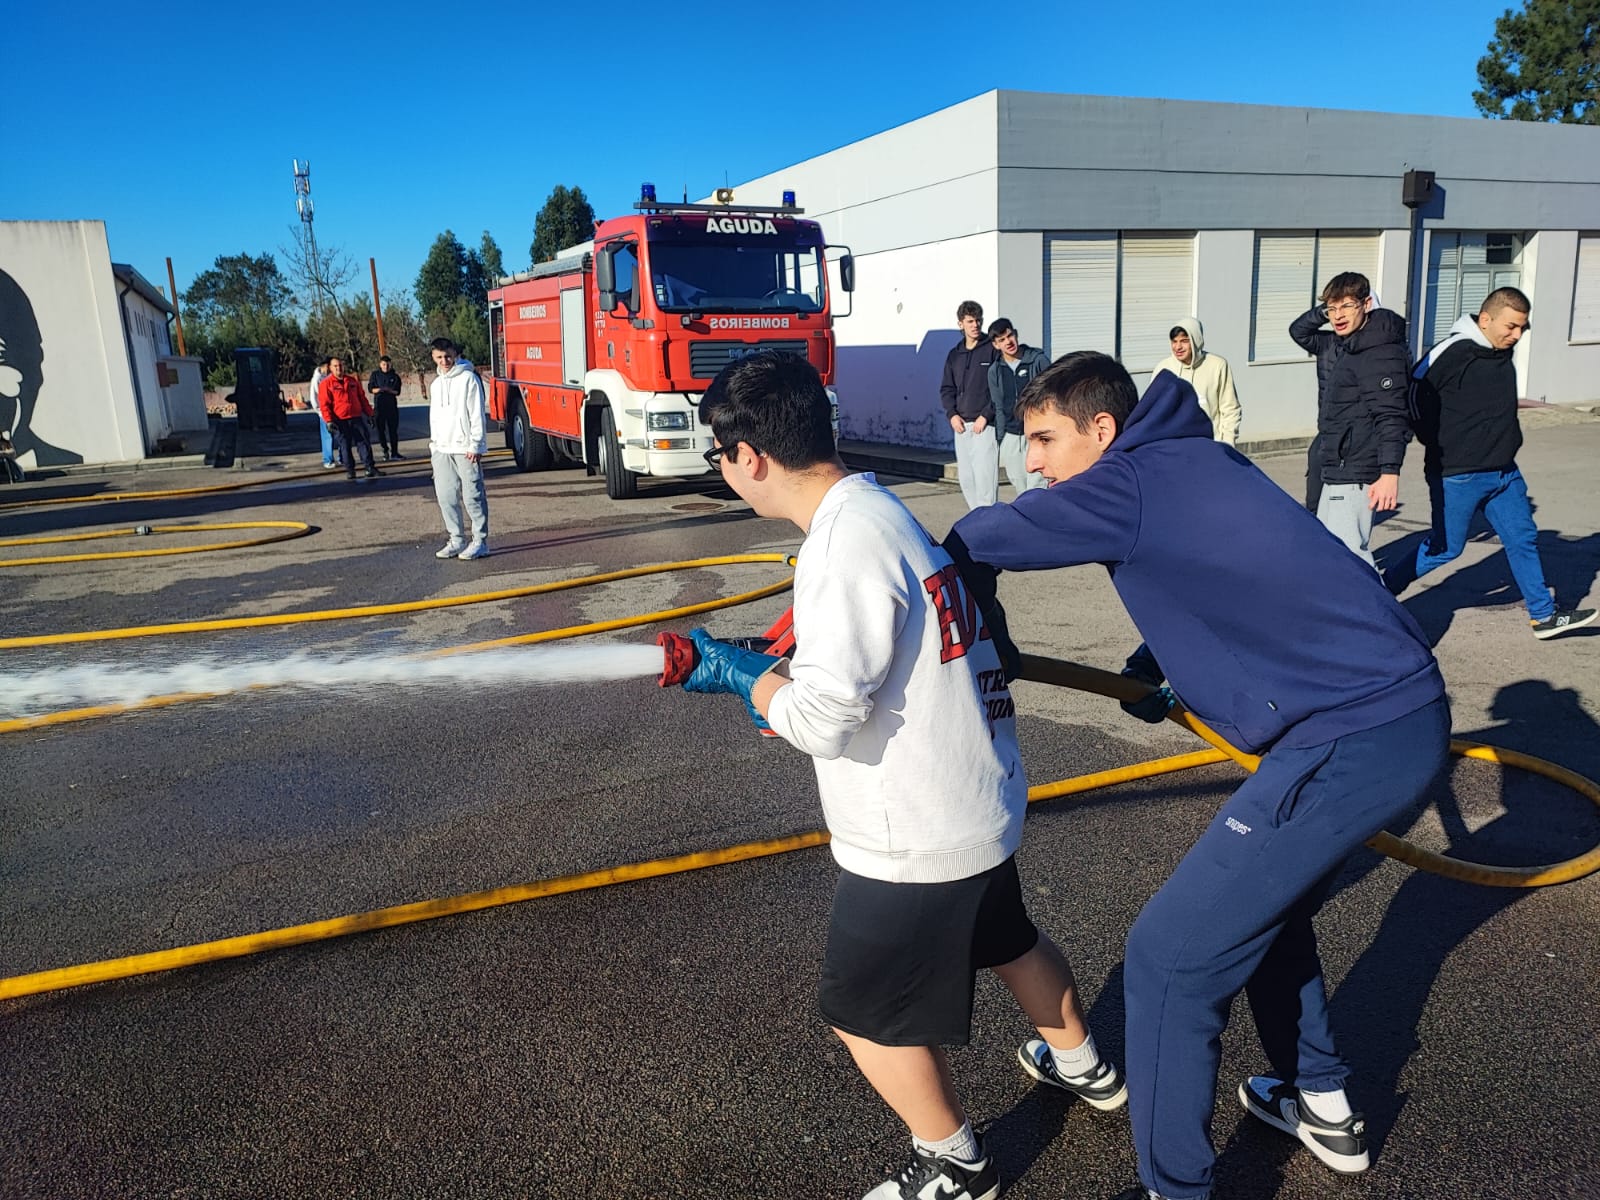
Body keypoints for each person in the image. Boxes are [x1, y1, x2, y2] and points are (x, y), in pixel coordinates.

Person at [947, 353, 1450, 1200]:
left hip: (1349, 736)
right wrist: (1173, 663)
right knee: (1264, 913)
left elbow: (977, 537)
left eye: (1044, 439)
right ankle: (1320, 1102)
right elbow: (1238, 571)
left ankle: (1174, 1188)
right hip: (1386, 715)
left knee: (1170, 959)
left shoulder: (1126, 482)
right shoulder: (1192, 457)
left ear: (1102, 429)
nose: (1031, 461)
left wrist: (964, 603)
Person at [680, 351, 1125, 1200]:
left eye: (719, 455)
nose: (724, 470)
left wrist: (747, 680)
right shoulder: (880, 509)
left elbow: (824, 720)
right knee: (1008, 939)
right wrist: (782, 674)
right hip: (974, 800)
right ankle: (1086, 1068)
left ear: (751, 458)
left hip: (916, 838)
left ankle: (957, 1164)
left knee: (862, 1015)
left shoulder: (839, 545)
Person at [1385, 287, 1596, 639]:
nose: (1516, 335)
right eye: (1511, 326)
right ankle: (1380, 590)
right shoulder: (1452, 351)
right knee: (1445, 548)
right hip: (1457, 474)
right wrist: (1440, 442)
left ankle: (1543, 616)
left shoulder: (1501, 351)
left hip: (1504, 471)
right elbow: (1412, 395)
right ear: (1485, 319)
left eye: (1522, 328)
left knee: (1522, 538)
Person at [1289, 276, 1408, 564]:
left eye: (1346, 306)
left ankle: (1373, 597)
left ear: (1366, 305)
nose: (1338, 315)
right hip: (1337, 463)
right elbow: (1299, 330)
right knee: (1331, 551)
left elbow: (1391, 414)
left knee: (1351, 557)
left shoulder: (1378, 351)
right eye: (1332, 308)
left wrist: (1389, 472)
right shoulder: (1349, 346)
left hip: (1355, 470)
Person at [428, 338, 489, 560]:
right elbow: (434, 417)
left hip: (465, 448)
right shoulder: (436, 385)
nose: (444, 361)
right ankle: (456, 539)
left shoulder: (468, 379)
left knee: (473, 496)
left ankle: (480, 541)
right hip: (442, 449)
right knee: (446, 496)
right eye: (439, 357)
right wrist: (434, 445)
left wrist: (475, 444)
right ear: (433, 357)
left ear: (455, 354)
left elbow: (476, 413)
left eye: (447, 356)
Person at [940, 300, 1000, 509]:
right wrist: (952, 414)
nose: (975, 325)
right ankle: (976, 519)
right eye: (970, 321)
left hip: (985, 425)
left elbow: (999, 388)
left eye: (978, 320)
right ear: (961, 324)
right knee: (967, 480)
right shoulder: (954, 355)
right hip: (961, 426)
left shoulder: (992, 350)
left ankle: (989, 520)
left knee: (985, 482)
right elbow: (947, 388)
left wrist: (986, 415)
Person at [1150, 318, 1240, 446]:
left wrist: (1227, 444)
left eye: (1184, 341)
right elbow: (1153, 411)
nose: (1178, 347)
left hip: (1209, 446)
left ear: (1196, 340)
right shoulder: (1163, 368)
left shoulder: (1217, 366)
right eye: (1174, 341)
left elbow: (1230, 409)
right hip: (1174, 447)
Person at [985, 317, 1049, 493]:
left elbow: (1051, 395)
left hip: (1036, 432)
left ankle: (1038, 510)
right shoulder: (995, 371)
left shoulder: (1037, 360)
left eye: (1010, 336)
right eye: (1002, 340)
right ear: (996, 345)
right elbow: (998, 405)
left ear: (1016, 335)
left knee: (1037, 483)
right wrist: (1001, 438)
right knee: (1019, 483)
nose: (1008, 342)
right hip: (1011, 435)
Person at [317, 357, 378, 480]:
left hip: (356, 418)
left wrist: (370, 414)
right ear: (330, 368)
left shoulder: (352, 381)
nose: (339, 368)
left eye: (340, 365)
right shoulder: (326, 384)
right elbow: (324, 404)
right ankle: (350, 470)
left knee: (364, 443)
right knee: (345, 446)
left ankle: (369, 468)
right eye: (335, 366)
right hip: (340, 420)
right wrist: (329, 421)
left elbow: (362, 398)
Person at [367, 354, 405, 461]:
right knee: (380, 430)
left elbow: (397, 391)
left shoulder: (395, 376)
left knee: (393, 431)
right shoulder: (375, 375)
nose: (386, 366)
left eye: (388, 364)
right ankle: (385, 450)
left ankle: (394, 452)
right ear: (380, 364)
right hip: (379, 407)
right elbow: (371, 389)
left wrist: (389, 390)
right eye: (384, 364)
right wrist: (380, 390)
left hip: (391, 407)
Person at [308, 357, 338, 469]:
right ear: (325, 366)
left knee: (339, 434)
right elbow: (314, 398)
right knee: (327, 436)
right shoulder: (316, 379)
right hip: (324, 412)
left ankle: (342, 457)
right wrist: (320, 411)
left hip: (335, 410)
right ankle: (328, 459)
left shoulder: (330, 376)